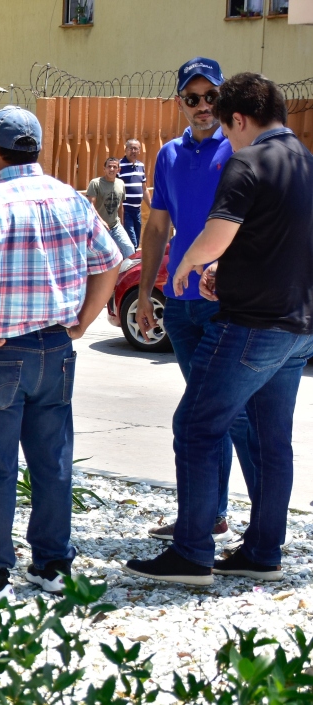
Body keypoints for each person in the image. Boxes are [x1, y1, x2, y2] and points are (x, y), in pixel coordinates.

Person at [124, 73, 313, 586]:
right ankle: (262, 552)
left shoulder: (246, 161)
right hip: (299, 327)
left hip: (251, 326)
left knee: (197, 425)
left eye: (227, 125)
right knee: (272, 440)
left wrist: (188, 265)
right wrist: (223, 272)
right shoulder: (305, 162)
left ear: (239, 119)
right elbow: (277, 243)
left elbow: (219, 230)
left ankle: (191, 554)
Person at [0, 107, 122, 603]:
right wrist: (84, 319)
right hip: (55, 347)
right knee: (53, 462)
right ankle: (53, 566)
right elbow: (111, 260)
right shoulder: (71, 198)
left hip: (0, 351)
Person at [135, 56, 254, 543]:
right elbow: (158, 227)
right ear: (180, 102)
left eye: (211, 97)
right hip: (181, 303)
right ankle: (210, 515)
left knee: (235, 414)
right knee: (207, 412)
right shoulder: (168, 155)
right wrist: (145, 293)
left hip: (230, 301)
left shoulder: (242, 149)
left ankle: (265, 529)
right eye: (193, 97)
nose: (203, 106)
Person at [86, 157, 136, 257]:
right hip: (99, 227)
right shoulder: (95, 183)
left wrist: (121, 223)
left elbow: (120, 205)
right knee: (106, 255)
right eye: (109, 167)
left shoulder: (121, 183)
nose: (112, 169)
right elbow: (90, 206)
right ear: (104, 169)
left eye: (114, 167)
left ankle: (126, 272)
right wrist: (102, 222)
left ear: (119, 170)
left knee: (129, 250)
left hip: (116, 226)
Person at [118, 139, 148, 248]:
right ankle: (131, 264)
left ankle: (131, 263)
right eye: (131, 148)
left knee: (137, 239)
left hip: (137, 210)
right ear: (125, 150)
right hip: (125, 210)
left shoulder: (141, 166)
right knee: (132, 242)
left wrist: (152, 207)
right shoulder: (119, 166)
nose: (133, 151)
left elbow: (144, 189)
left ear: (139, 151)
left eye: (136, 148)